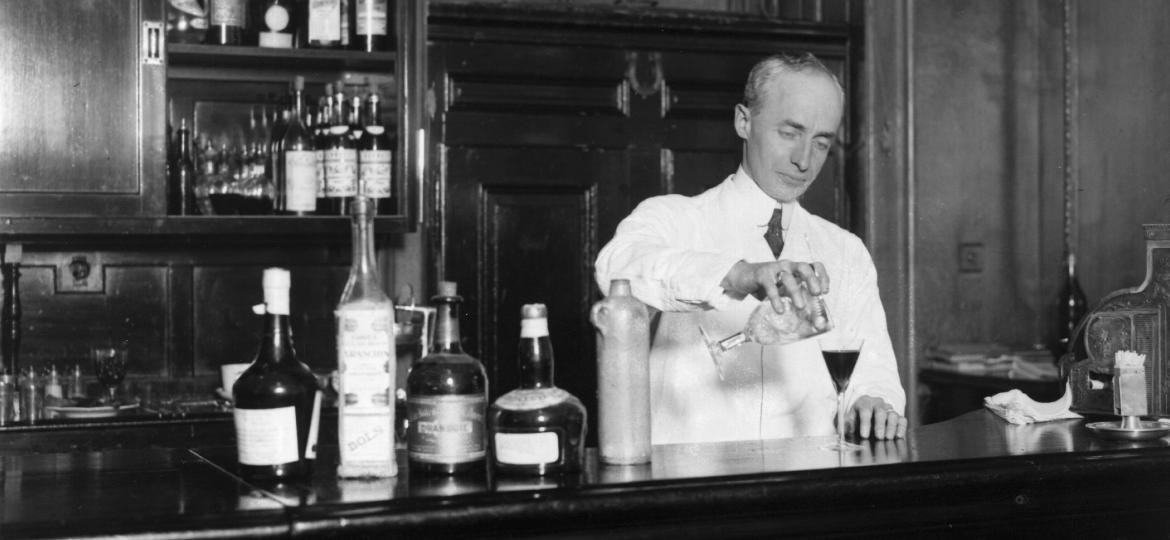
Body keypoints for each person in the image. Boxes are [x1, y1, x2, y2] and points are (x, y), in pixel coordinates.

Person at [594, 52, 907, 445]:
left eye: (821, 142)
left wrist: (874, 402)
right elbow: (615, 270)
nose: (803, 160)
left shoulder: (846, 252)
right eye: (790, 133)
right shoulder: (674, 219)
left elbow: (874, 374)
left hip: (811, 485)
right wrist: (739, 274)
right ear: (744, 121)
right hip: (690, 488)